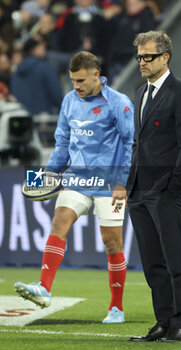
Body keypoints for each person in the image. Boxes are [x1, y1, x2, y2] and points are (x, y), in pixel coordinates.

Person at [14, 51, 134, 323]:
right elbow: (62, 144)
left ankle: (116, 308)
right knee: (59, 221)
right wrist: (47, 174)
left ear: (96, 74)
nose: (75, 86)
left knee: (111, 243)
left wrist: (121, 182)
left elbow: (130, 144)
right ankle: (44, 288)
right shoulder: (70, 101)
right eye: (72, 81)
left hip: (108, 181)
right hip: (77, 177)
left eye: (80, 81)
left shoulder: (119, 103)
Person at [127, 31, 181, 341]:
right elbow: (138, 144)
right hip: (139, 191)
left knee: (176, 260)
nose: (142, 62)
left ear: (165, 57)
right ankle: (164, 321)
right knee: (153, 263)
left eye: (148, 57)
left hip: (166, 190)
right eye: (140, 57)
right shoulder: (140, 92)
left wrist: (174, 186)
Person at [11, 37, 63, 115]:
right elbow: (57, 95)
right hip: (44, 121)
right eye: (41, 45)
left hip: (23, 120)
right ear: (34, 50)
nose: (44, 47)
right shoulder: (45, 68)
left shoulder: (16, 72)